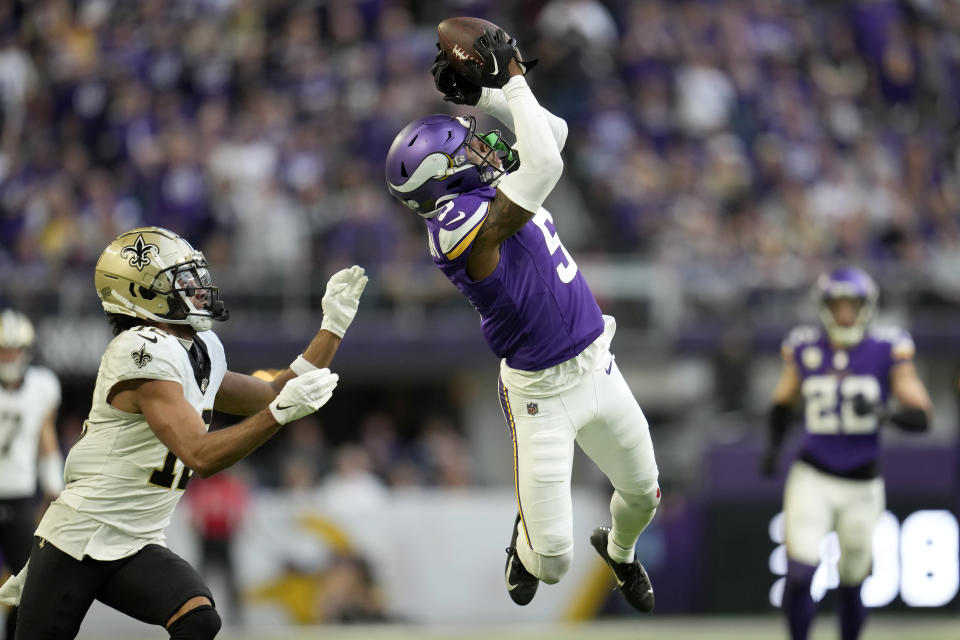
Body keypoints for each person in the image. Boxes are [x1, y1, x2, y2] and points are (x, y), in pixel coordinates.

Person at [384, 28, 660, 611]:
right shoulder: (456, 228)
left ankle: (621, 553)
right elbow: (545, 160)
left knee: (643, 493)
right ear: (441, 180)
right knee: (553, 561)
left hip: (596, 363)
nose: (480, 148)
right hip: (541, 393)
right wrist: (508, 77)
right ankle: (524, 540)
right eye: (464, 150)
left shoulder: (484, 189)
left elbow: (549, 135)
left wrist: (484, 99)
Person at [0, 227, 367, 639]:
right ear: (140, 293)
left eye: (195, 276)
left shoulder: (200, 346)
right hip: (79, 535)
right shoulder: (140, 352)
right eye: (182, 280)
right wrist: (278, 416)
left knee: (198, 619)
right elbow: (200, 454)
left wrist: (332, 326)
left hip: (136, 539)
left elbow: (270, 393)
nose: (198, 288)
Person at [759, 267, 932, 640]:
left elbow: (922, 415)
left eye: (851, 305)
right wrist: (773, 448)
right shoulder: (805, 346)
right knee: (800, 572)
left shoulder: (888, 348)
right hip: (813, 476)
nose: (844, 313)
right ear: (824, 307)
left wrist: (885, 413)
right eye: (837, 304)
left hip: (862, 484)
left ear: (865, 307)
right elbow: (782, 403)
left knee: (853, 581)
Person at [0, 309, 63, 640]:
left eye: (14, 348)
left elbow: (45, 438)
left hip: (21, 498)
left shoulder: (41, 386)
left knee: (29, 589)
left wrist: (54, 489)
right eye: (3, 349)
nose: (9, 356)